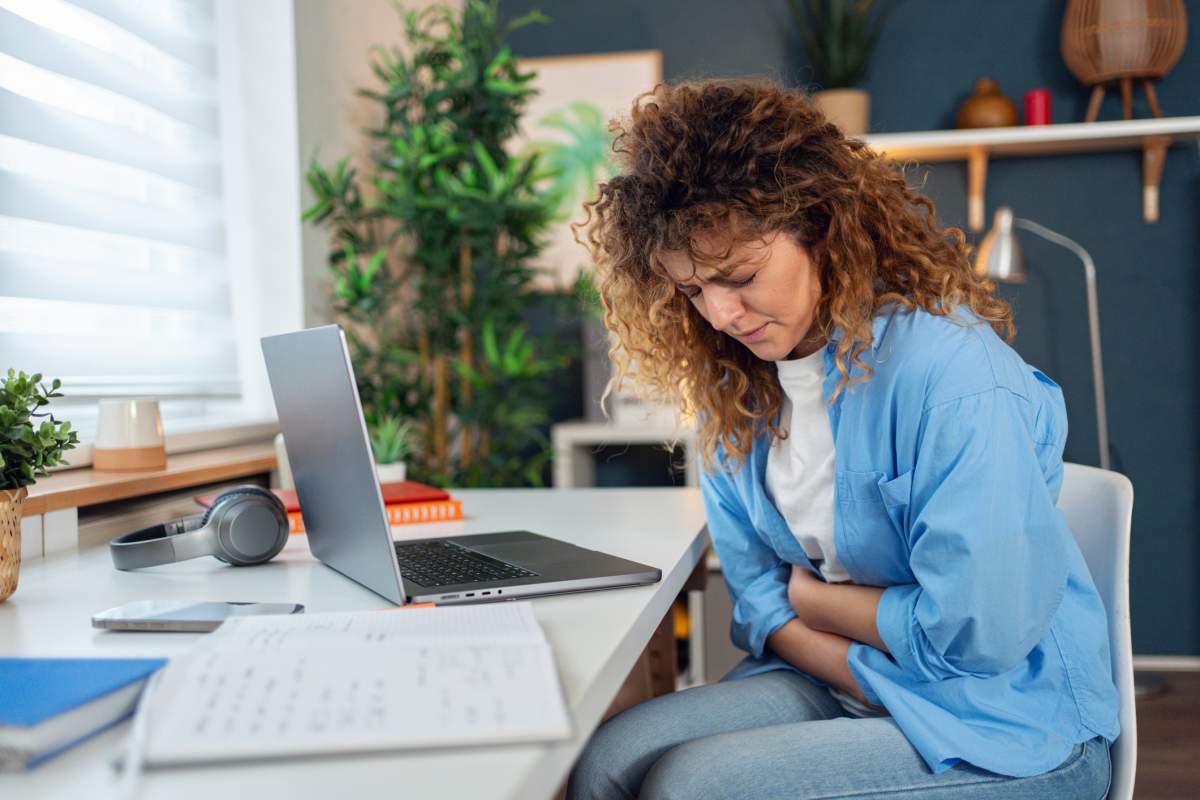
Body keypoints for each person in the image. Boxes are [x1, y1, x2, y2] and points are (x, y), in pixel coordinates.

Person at [566, 79, 1119, 800]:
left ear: (820, 228)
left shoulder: (954, 377)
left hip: (1006, 725)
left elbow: (977, 639)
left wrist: (819, 604)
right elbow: (761, 597)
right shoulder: (736, 389)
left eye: (739, 275)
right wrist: (835, 634)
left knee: (690, 787)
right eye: (693, 291)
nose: (722, 314)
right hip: (848, 677)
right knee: (609, 761)